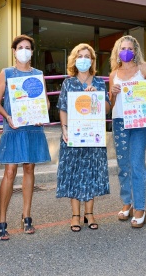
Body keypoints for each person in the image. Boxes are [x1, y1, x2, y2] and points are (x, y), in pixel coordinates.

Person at [0, 35, 51, 240]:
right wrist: (8, 117)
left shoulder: (38, 74)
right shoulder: (6, 73)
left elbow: (45, 103)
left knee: (29, 168)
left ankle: (27, 216)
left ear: (32, 52)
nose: (24, 50)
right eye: (20, 47)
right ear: (14, 51)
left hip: (32, 128)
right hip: (14, 127)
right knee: (9, 171)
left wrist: (41, 114)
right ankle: (1, 218)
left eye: (28, 47)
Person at [56, 44, 111, 232]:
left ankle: (89, 213)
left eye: (87, 56)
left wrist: (97, 96)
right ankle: (75, 215)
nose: (83, 59)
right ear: (74, 60)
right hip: (73, 135)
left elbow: (107, 109)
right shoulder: (67, 83)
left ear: (92, 61)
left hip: (92, 135)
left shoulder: (99, 83)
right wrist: (64, 129)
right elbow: (62, 108)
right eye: (80, 56)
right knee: (74, 173)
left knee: (91, 173)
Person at [108, 35, 146, 228]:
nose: (126, 51)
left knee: (136, 163)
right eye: (122, 48)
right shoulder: (113, 74)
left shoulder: (145, 69)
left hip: (139, 122)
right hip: (119, 121)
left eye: (129, 48)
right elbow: (110, 105)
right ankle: (127, 201)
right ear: (118, 52)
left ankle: (140, 207)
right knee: (123, 165)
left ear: (135, 51)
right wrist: (113, 93)